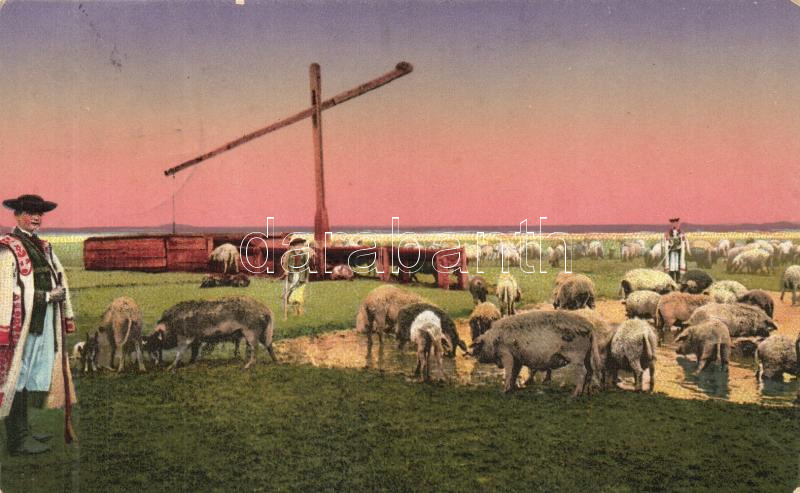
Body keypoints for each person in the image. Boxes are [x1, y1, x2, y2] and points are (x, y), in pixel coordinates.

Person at [0, 194, 77, 455]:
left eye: (39, 213)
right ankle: (17, 439)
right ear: (17, 215)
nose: (36, 217)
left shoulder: (43, 247)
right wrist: (46, 297)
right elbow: (7, 290)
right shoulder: (8, 248)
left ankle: (25, 431)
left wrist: (58, 297)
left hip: (40, 320)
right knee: (17, 376)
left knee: (28, 374)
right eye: (30, 212)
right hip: (20, 324)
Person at [280, 237, 312, 319]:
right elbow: (285, 263)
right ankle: (293, 309)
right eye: (297, 246)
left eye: (301, 245)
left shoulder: (304, 254)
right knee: (291, 293)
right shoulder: (289, 254)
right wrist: (286, 270)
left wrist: (307, 278)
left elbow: (306, 266)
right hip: (292, 275)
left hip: (301, 276)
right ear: (293, 247)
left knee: (299, 294)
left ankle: (299, 310)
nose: (299, 247)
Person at [661, 217, 688, 283]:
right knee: (671, 266)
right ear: (671, 224)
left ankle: (678, 280)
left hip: (678, 251)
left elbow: (683, 241)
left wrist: (680, 244)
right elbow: (665, 242)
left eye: (676, 223)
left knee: (678, 266)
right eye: (673, 223)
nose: (674, 224)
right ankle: (672, 280)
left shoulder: (681, 232)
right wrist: (669, 243)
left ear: (678, 223)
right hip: (671, 252)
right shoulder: (668, 233)